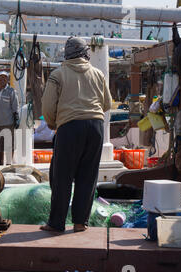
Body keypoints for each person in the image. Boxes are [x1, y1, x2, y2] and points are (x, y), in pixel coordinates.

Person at [40, 36, 112, 233]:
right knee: (88, 176)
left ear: (67, 54)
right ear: (85, 53)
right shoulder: (98, 74)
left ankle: (56, 223)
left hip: (69, 127)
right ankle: (80, 223)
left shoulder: (58, 74)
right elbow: (107, 103)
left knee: (62, 176)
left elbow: (47, 106)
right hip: (96, 127)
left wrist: (53, 123)